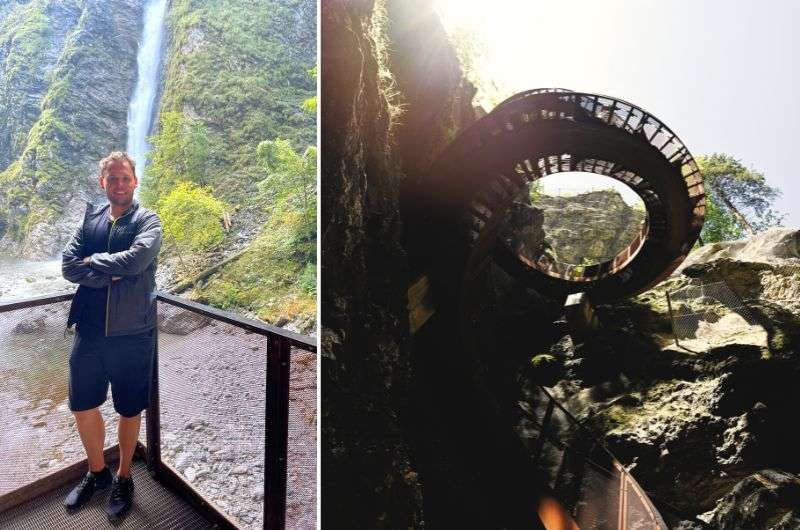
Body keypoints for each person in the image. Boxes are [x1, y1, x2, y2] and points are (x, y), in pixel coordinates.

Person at [60, 151, 162, 522]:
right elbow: (68, 266)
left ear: (135, 181)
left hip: (133, 332)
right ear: (103, 183)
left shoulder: (148, 220)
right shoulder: (90, 221)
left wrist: (93, 262)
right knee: (82, 404)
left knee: (128, 407)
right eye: (112, 179)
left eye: (125, 178)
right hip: (89, 330)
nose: (119, 184)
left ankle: (124, 476)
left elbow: (137, 262)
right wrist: (110, 272)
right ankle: (97, 471)